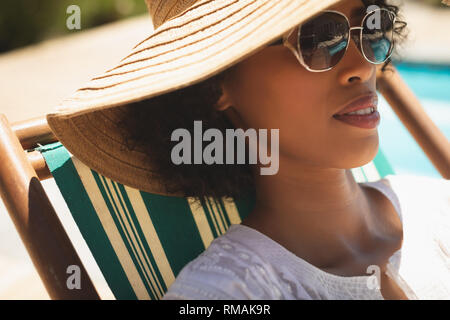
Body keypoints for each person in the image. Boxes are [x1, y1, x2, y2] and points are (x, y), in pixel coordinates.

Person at [46, 0, 450, 300]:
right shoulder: (223, 294)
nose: (361, 66)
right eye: (319, 38)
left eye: (371, 28)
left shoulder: (438, 206)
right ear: (215, 84)